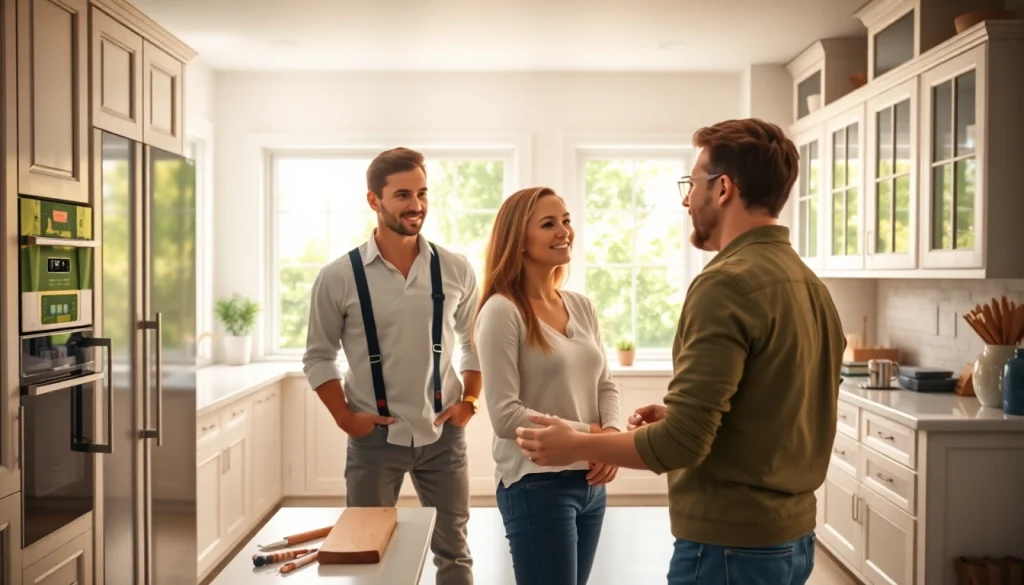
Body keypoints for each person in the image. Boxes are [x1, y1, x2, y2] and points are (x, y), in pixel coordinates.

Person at [514, 118, 847, 585]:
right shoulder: (810, 285)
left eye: (692, 184)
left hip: (730, 547)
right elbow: (781, 407)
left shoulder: (725, 284)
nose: (687, 200)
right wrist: (681, 413)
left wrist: (577, 444)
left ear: (723, 188)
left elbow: (681, 444)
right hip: (793, 541)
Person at [302, 147, 481, 585]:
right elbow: (318, 355)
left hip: (443, 435)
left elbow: (474, 344)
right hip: (374, 439)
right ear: (374, 200)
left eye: (422, 193)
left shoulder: (455, 268)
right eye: (402, 195)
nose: (416, 204)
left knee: (455, 551)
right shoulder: (338, 276)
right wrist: (345, 417)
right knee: (364, 551)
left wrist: (470, 402)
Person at [472, 186, 622, 585]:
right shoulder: (502, 311)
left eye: (566, 220)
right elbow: (505, 416)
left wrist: (610, 437)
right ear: (519, 239)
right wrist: (593, 438)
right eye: (549, 223)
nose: (564, 231)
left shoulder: (580, 305)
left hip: (590, 484)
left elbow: (606, 385)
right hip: (536, 484)